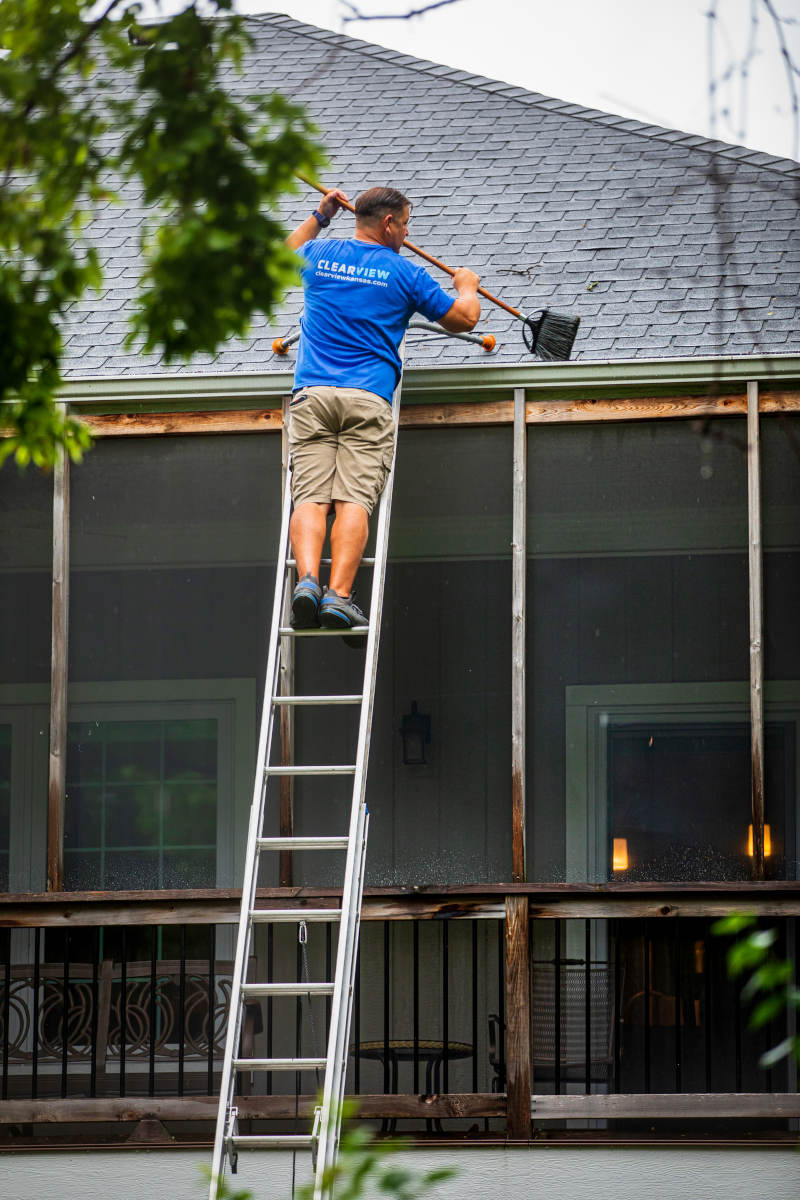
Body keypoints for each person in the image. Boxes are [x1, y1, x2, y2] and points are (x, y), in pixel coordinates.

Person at [285, 185, 481, 638]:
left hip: (312, 396)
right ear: (389, 223)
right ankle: (338, 595)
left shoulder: (320, 254)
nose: (408, 231)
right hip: (366, 400)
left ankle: (307, 583)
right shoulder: (403, 274)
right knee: (353, 500)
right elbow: (463, 319)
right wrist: (466, 286)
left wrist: (320, 215)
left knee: (310, 498)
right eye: (406, 222)